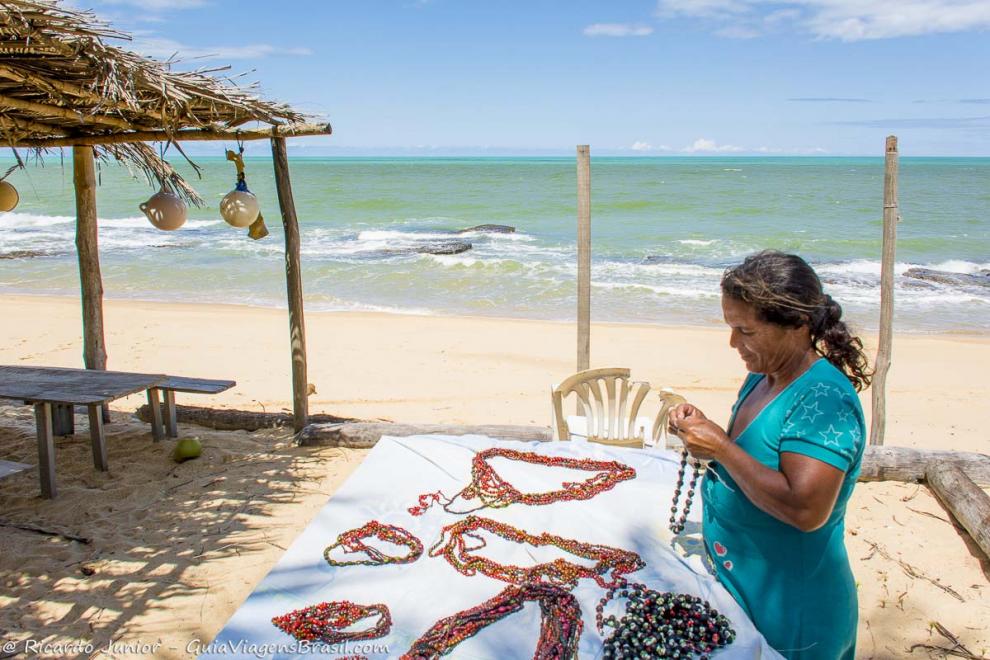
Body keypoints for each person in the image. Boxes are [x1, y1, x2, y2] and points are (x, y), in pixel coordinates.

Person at [669, 250, 871, 660]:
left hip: (795, 614)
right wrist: (706, 436)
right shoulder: (764, 376)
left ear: (796, 325)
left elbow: (806, 509)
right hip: (747, 592)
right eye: (730, 328)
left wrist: (721, 448)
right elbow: (755, 459)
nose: (732, 343)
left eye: (745, 330)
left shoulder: (824, 400)